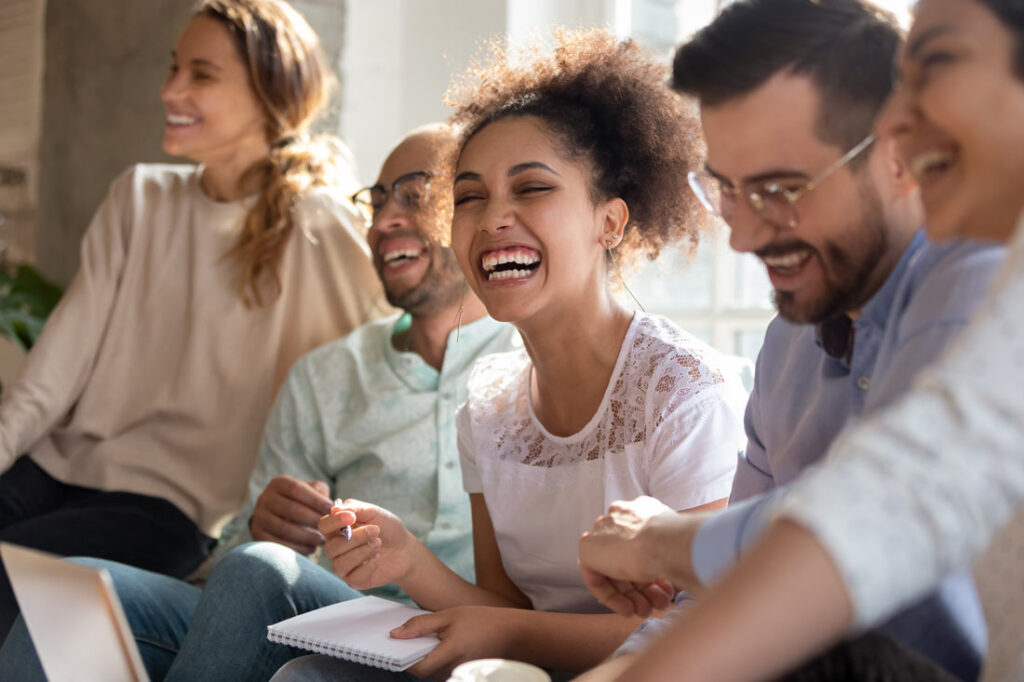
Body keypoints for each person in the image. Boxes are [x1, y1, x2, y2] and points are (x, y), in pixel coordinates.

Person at [271, 29, 748, 682]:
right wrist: (408, 561)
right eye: (469, 197)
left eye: (531, 189)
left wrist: (502, 629)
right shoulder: (491, 406)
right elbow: (508, 609)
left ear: (609, 222)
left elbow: (707, 630)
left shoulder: (687, 393)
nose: (493, 217)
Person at [575, 0, 1024, 680]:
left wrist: (661, 542)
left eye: (782, 189)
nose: (743, 235)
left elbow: (885, 506)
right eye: (725, 189)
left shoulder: (980, 275)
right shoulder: (789, 346)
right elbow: (725, 590)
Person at [0, 123, 520, 682]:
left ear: (472, 210)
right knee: (72, 590)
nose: (385, 218)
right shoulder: (328, 374)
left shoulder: (528, 363)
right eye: (376, 198)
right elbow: (238, 562)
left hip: (457, 636)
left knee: (259, 572)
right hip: (332, 615)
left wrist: (260, 560)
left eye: (414, 196)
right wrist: (263, 529)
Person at [0, 0, 389, 638]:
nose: (170, 89)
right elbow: (55, 369)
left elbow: (382, 355)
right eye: (173, 67)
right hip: (54, 466)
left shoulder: (318, 224)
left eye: (200, 75)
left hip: (173, 510)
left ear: (270, 94)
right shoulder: (139, 196)